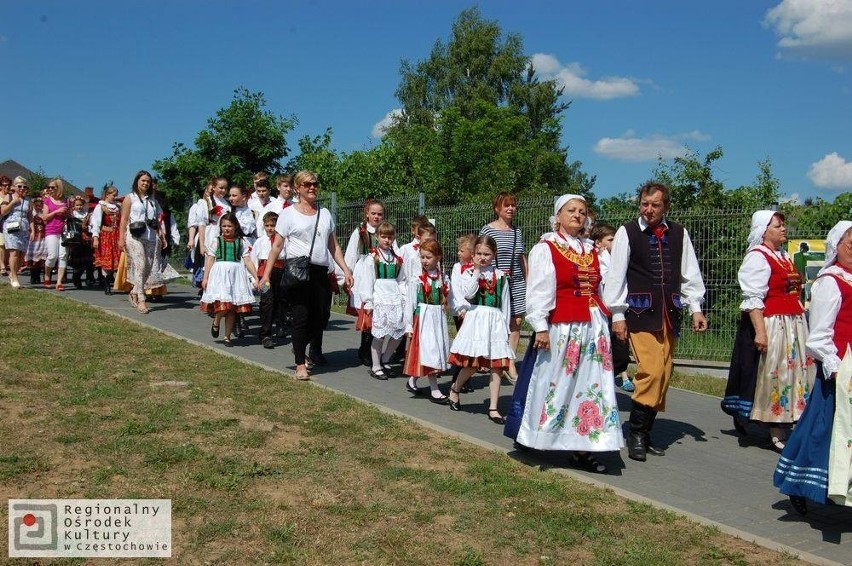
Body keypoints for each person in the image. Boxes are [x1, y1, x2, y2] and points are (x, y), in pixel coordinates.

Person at [512, 195, 624, 473]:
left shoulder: (594, 250)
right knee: (556, 382)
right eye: (571, 211)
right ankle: (541, 438)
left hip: (594, 326)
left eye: (582, 212)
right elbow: (539, 288)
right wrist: (540, 325)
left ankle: (584, 448)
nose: (577, 215)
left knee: (592, 385)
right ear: (558, 215)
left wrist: (617, 315)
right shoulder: (547, 247)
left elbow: (606, 287)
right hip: (563, 325)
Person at [603, 181, 708, 462]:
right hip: (639, 313)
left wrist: (695, 308)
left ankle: (646, 432)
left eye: (655, 205)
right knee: (650, 371)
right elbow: (616, 275)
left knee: (664, 374)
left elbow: (690, 273)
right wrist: (617, 314)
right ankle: (635, 433)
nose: (649, 210)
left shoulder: (678, 233)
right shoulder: (627, 232)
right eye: (645, 204)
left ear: (666, 207)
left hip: (668, 314)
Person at [774, 221, 852, 516]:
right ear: (837, 248)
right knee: (820, 430)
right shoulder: (830, 282)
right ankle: (798, 482)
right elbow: (818, 335)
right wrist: (835, 366)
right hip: (839, 371)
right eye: (851, 245)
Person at [721, 211, 813, 451]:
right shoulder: (757, 257)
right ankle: (775, 428)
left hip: (792, 324)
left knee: (793, 374)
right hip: (773, 323)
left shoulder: (782, 255)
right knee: (777, 374)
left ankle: (787, 421)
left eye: (782, 225)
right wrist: (760, 332)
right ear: (764, 231)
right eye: (777, 226)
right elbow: (753, 298)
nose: (783, 229)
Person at [257, 170, 353, 381]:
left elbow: (333, 246)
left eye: (315, 184)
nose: (312, 188)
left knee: (321, 317)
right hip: (297, 270)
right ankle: (300, 364)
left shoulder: (325, 213)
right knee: (301, 317)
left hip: (320, 271)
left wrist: (345, 270)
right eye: (307, 184)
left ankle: (298, 345)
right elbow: (277, 246)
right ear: (298, 188)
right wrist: (265, 275)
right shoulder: (288, 214)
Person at [446, 235, 513, 424]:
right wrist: (476, 270)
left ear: (494, 255)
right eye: (479, 254)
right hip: (476, 319)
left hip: (495, 321)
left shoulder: (500, 276)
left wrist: (506, 328)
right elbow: (469, 293)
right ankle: (455, 388)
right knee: (472, 363)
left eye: (487, 254)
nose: (483, 257)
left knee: (497, 366)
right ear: (473, 254)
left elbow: (505, 303)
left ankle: (493, 407)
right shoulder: (469, 273)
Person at [480, 192, 528, 383]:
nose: (510, 209)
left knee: (516, 322)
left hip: (516, 282)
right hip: (496, 283)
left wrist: (528, 281)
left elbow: (521, 257)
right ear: (497, 208)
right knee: (497, 323)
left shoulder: (517, 231)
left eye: (513, 205)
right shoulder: (488, 230)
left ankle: (510, 361)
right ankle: (491, 359)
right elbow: (481, 255)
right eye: (506, 205)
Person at [352, 221, 406, 380]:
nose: (387, 240)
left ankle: (386, 359)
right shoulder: (372, 258)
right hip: (379, 298)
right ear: (377, 237)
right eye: (383, 237)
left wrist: (403, 298)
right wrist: (368, 302)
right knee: (379, 334)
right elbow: (367, 281)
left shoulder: (397, 259)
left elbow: (402, 279)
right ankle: (376, 366)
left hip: (394, 298)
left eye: (390, 237)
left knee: (398, 332)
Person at [403, 238, 451, 404]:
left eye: (428, 257)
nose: (424, 261)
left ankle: (412, 380)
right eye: (422, 257)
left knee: (432, 352)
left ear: (437, 257)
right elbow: (410, 303)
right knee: (429, 352)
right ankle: (435, 389)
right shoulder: (416, 279)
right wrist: (408, 325)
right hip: (423, 319)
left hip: (437, 318)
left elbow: (448, 298)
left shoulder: (442, 278)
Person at [201, 213, 259, 346]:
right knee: (223, 305)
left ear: (235, 226)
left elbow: (247, 260)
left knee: (232, 307)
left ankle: (227, 336)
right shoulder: (217, 241)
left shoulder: (241, 242)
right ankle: (216, 321)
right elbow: (210, 259)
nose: (226, 229)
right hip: (220, 275)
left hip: (236, 275)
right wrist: (206, 278)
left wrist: (256, 276)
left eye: (229, 226)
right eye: (224, 226)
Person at [345, 199, 389, 366]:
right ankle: (365, 349)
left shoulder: (386, 231)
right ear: (367, 214)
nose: (376, 217)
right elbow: (351, 253)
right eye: (373, 213)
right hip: (364, 274)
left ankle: (372, 350)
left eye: (379, 214)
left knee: (378, 313)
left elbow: (396, 252)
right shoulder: (361, 231)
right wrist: (346, 275)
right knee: (368, 312)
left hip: (382, 275)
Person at [591, 222, 634, 393]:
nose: (615, 243)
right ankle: (599, 385)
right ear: (598, 243)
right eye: (610, 239)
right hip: (600, 313)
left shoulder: (619, 259)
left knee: (622, 355)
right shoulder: (595, 260)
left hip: (617, 312)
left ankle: (607, 379)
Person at [118, 170, 166, 315]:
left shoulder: (153, 200)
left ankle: (134, 291)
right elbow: (124, 219)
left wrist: (162, 236)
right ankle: (141, 299)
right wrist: (121, 238)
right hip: (134, 235)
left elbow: (159, 220)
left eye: (148, 181)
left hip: (151, 236)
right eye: (143, 180)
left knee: (149, 268)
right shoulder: (130, 198)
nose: (145, 183)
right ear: (137, 182)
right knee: (140, 264)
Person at [250, 211, 286, 349]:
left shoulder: (283, 240)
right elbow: (253, 261)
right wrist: (254, 279)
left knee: (281, 301)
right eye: (267, 225)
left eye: (273, 225)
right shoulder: (260, 242)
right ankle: (265, 334)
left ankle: (281, 325)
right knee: (267, 302)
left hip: (280, 271)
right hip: (265, 274)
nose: (270, 228)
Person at [448, 233, 477, 392]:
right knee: (463, 344)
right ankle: (456, 378)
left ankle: (465, 379)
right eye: (458, 250)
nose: (458, 253)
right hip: (461, 312)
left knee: (471, 345)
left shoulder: (477, 268)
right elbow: (457, 289)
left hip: (474, 311)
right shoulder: (457, 267)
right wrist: (461, 308)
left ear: (472, 253)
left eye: (461, 251)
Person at [0, 176, 31, 289]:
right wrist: (13, 202)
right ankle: (14, 277)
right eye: (19, 186)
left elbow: (30, 215)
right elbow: (3, 211)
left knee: (22, 256)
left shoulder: (28, 200)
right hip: (11, 227)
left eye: (24, 186)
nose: (22, 188)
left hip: (24, 228)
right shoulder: (9, 196)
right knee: (14, 253)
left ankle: (12, 274)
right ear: (14, 187)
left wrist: (32, 229)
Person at [90, 186, 122, 294]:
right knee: (107, 260)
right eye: (113, 195)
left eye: (116, 195)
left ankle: (114, 282)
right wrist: (95, 238)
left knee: (116, 260)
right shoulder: (101, 206)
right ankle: (106, 285)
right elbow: (96, 223)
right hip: (106, 236)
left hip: (116, 236)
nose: (115, 197)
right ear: (107, 195)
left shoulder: (118, 207)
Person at [41, 178, 70, 290]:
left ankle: (59, 282)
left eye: (53, 187)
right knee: (52, 256)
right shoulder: (47, 200)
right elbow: (45, 217)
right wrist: (56, 212)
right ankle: (47, 275)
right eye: (49, 187)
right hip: (51, 231)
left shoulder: (66, 201)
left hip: (63, 231)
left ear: (59, 188)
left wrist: (66, 213)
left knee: (63, 256)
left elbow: (71, 216)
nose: (50, 189)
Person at [66, 195, 94, 288]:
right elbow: (68, 226)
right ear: (74, 206)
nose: (79, 207)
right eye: (77, 205)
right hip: (76, 240)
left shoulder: (87, 214)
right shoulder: (72, 214)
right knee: (77, 262)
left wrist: (87, 228)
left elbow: (91, 225)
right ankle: (76, 278)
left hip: (86, 239)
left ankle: (89, 278)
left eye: (81, 205)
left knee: (88, 260)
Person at [25, 194, 47, 285]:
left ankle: (38, 275)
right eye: (37, 205)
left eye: (40, 205)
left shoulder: (43, 213)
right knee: (33, 256)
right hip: (34, 238)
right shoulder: (31, 214)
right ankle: (33, 276)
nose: (39, 207)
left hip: (42, 237)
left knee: (41, 257)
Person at [0, 175, 12, 276]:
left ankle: (5, 264)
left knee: (7, 246)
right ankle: (2, 266)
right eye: (4, 185)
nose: (6, 187)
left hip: (9, 223)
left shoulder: (11, 196)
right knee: (2, 245)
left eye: (8, 185)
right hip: (0, 222)